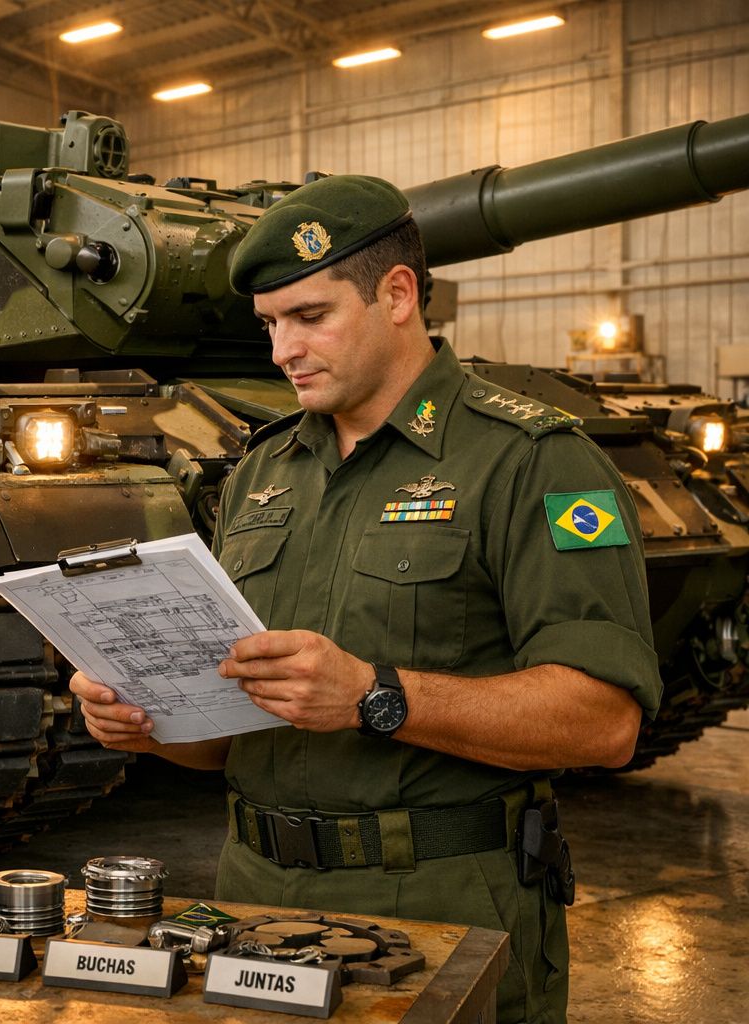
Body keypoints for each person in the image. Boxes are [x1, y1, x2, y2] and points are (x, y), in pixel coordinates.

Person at [69, 174, 660, 1024]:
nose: (282, 351)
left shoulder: (530, 461)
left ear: (397, 294)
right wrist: (147, 721)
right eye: (271, 324)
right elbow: (237, 736)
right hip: (253, 898)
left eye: (310, 317)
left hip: (444, 900)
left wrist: (373, 697)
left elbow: (605, 722)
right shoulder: (263, 474)